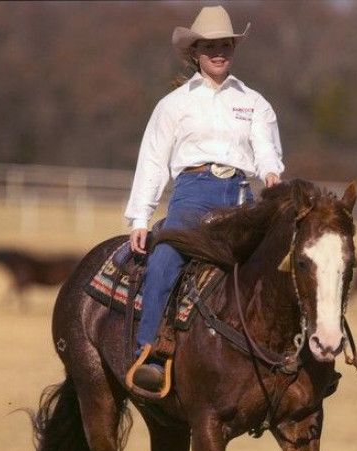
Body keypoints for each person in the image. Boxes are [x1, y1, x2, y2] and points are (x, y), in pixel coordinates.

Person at [125, 5, 284, 392]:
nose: (219, 52)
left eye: (226, 45)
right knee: (164, 259)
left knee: (287, 263)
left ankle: (296, 353)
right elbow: (153, 161)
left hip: (244, 198)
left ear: (234, 49)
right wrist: (141, 219)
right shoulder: (174, 105)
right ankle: (151, 352)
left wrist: (272, 174)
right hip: (192, 195)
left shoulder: (255, 103)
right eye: (210, 46)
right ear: (195, 51)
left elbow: (266, 150)